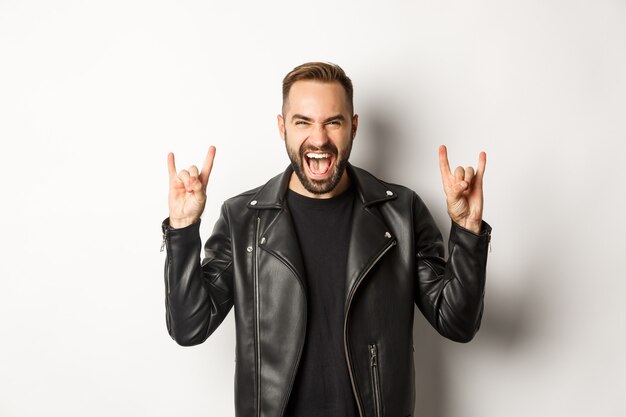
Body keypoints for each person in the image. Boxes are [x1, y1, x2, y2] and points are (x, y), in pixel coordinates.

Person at [161, 62, 492, 417]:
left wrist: (467, 230)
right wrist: (182, 229)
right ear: (281, 127)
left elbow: (457, 322)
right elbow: (189, 327)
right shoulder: (243, 219)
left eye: (332, 122)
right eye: (302, 122)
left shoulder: (402, 213)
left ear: (353, 126)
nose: (318, 139)